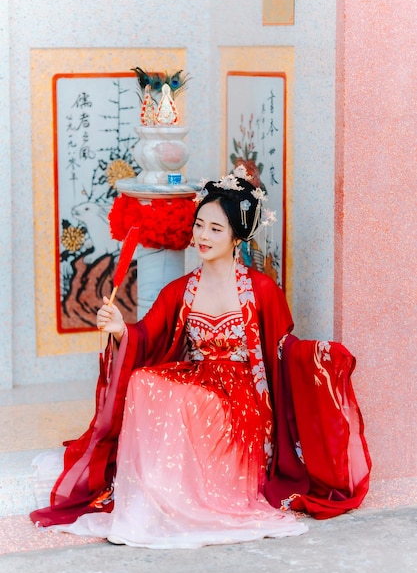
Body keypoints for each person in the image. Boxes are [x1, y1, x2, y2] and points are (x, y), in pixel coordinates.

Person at [30, 169, 371, 547]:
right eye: (200, 225)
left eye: (215, 229)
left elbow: (282, 350)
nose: (203, 237)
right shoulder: (182, 289)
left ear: (238, 236)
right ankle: (154, 493)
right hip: (198, 377)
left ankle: (178, 493)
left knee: (188, 399)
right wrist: (119, 330)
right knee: (146, 383)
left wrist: (320, 356)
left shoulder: (261, 291)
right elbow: (146, 335)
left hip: (242, 397)